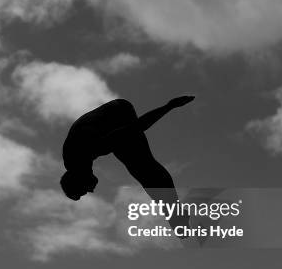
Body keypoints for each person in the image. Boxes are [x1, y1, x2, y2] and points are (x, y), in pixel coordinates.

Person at [61, 96, 194, 232]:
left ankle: (175, 213)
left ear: (79, 178)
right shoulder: (73, 161)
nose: (91, 190)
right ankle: (174, 213)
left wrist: (169, 106)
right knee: (139, 168)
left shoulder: (92, 147)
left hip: (118, 112)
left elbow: (138, 126)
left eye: (85, 189)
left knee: (143, 166)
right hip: (104, 123)